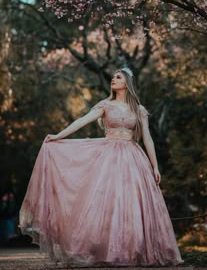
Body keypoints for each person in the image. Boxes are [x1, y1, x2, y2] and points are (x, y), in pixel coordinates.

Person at [19, 67, 184, 266]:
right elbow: (81, 121)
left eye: (118, 77)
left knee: (131, 202)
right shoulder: (106, 105)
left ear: (127, 83)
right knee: (105, 202)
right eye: (113, 77)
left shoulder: (139, 110)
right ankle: (106, 251)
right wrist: (58, 136)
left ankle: (135, 251)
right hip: (108, 157)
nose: (113, 80)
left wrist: (155, 166)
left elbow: (147, 138)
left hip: (133, 158)